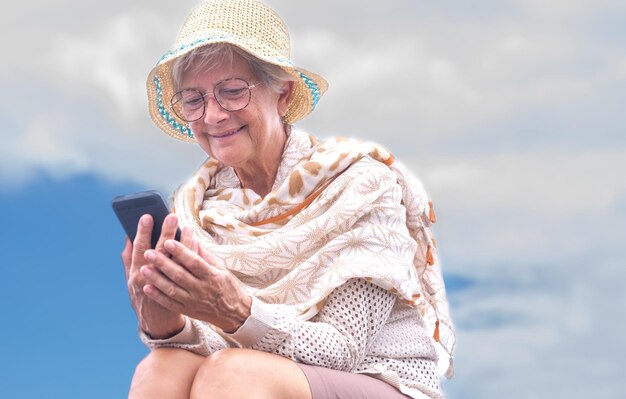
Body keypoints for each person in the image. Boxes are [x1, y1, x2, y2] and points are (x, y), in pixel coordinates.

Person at [122, 0, 455, 398]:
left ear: (283, 95)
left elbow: (342, 352)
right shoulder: (195, 209)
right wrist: (166, 323)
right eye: (194, 100)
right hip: (249, 379)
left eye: (231, 92)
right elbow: (214, 347)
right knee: (162, 367)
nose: (212, 115)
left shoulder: (360, 185)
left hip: (378, 381)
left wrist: (236, 311)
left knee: (236, 374)